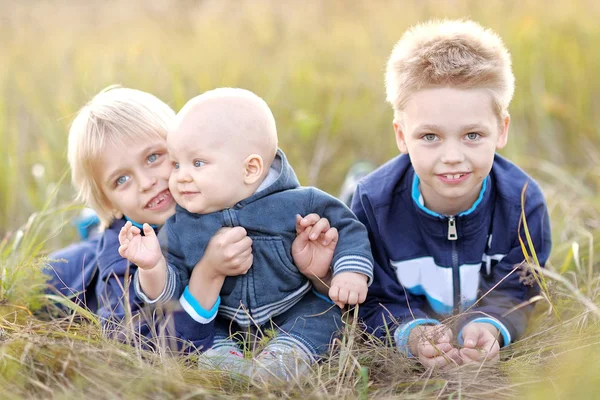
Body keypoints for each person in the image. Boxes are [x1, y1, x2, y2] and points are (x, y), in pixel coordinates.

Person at [45, 86, 339, 354]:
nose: (147, 182)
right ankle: (89, 229)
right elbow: (145, 348)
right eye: (121, 179)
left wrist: (318, 274)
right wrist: (208, 274)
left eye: (153, 157)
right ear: (110, 203)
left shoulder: (219, 191)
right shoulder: (121, 263)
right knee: (60, 267)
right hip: (69, 276)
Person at [118, 87, 374, 381]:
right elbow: (170, 292)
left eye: (197, 163)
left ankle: (284, 359)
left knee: (318, 319)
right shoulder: (180, 226)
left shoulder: (299, 203)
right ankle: (229, 369)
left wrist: (349, 272)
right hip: (224, 321)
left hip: (292, 306)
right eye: (176, 164)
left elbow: (348, 227)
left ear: (250, 169)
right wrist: (152, 266)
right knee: (206, 343)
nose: (181, 176)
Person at [351, 20, 552, 368]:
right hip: (376, 197)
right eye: (430, 136)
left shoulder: (522, 203)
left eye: (472, 135)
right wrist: (411, 332)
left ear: (501, 130)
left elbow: (520, 290)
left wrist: (490, 325)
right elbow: (372, 296)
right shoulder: (372, 205)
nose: (452, 157)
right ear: (402, 135)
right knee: (351, 207)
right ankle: (353, 177)